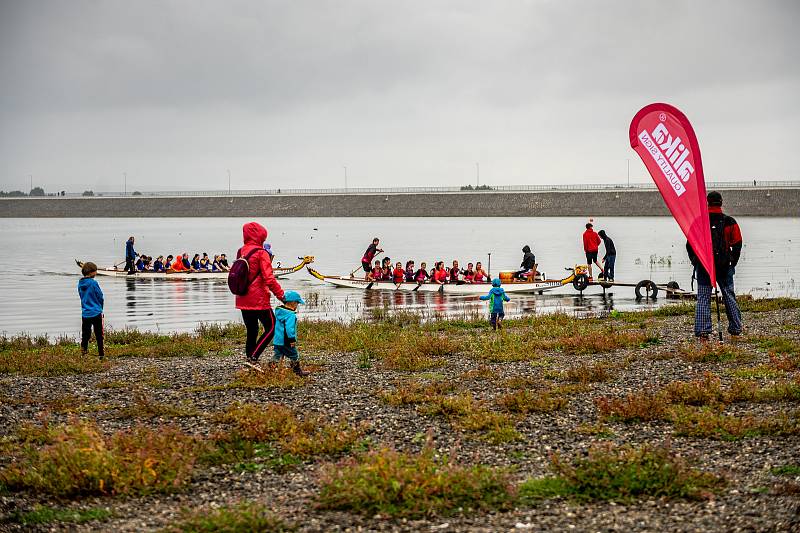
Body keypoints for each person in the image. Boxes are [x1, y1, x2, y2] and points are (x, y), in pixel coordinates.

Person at [687, 191, 743, 339]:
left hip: (704, 265)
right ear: (721, 203)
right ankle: (735, 328)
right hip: (725, 266)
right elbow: (737, 244)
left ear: (707, 203)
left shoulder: (699, 222)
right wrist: (732, 263)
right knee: (729, 295)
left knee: (704, 298)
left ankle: (703, 331)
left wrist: (695, 260)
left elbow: (689, 244)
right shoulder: (730, 222)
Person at [236, 221, 286, 366]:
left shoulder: (241, 251)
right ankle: (253, 358)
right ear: (261, 235)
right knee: (272, 327)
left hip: (242, 296)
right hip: (258, 299)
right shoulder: (261, 253)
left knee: (252, 330)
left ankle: (250, 359)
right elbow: (269, 279)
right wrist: (281, 296)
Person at [271, 290, 309, 376]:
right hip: (286, 341)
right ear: (292, 303)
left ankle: (271, 368)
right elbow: (289, 328)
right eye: (297, 303)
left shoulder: (279, 312)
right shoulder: (291, 315)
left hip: (277, 340)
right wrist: (291, 340)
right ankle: (297, 371)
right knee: (294, 355)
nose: (297, 305)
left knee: (277, 355)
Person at [78, 262, 105, 359]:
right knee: (99, 334)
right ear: (91, 272)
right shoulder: (94, 283)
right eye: (95, 271)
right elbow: (100, 296)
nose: (96, 273)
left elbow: (81, 297)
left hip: (85, 313)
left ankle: (83, 352)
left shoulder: (80, 283)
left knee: (85, 334)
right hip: (96, 312)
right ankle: (101, 354)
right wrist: (100, 308)